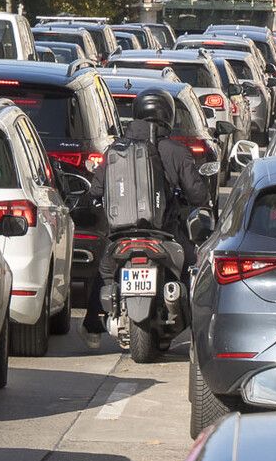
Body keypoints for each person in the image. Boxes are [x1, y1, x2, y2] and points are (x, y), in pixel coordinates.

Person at [85, 89, 211, 334]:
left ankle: (92, 326)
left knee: (104, 271)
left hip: (121, 236)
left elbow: (96, 190)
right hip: (165, 233)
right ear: (168, 115)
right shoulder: (176, 151)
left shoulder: (116, 150)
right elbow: (198, 195)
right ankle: (199, 332)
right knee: (194, 266)